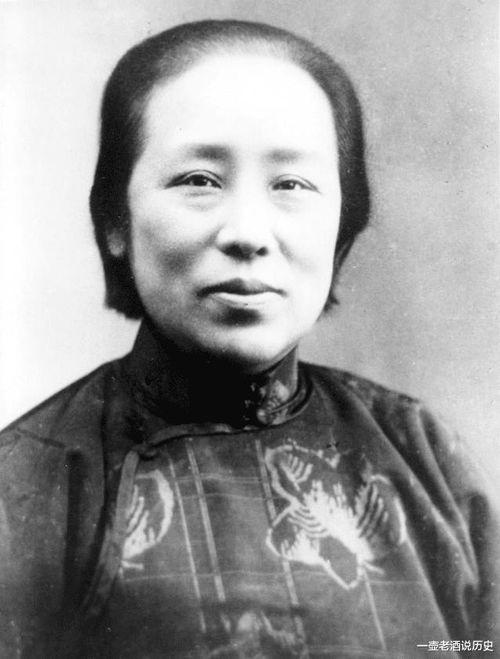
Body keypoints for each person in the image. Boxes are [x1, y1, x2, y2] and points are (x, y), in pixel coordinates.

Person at [0, 19, 497, 659]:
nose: (248, 233)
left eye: (291, 185)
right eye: (199, 180)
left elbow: (478, 648)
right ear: (116, 218)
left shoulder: (422, 455)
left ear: (342, 226)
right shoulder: (31, 483)